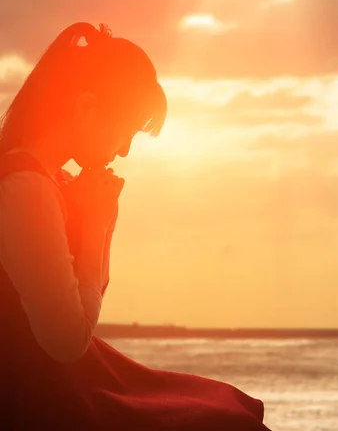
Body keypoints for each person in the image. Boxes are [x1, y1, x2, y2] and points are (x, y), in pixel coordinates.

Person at [0, 22, 270, 430]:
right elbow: (69, 340)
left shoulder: (45, 181)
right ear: (87, 107)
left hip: (67, 381)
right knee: (223, 418)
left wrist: (100, 220)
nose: (123, 150)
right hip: (43, 395)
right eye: (125, 132)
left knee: (223, 407)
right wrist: (96, 226)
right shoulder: (26, 188)